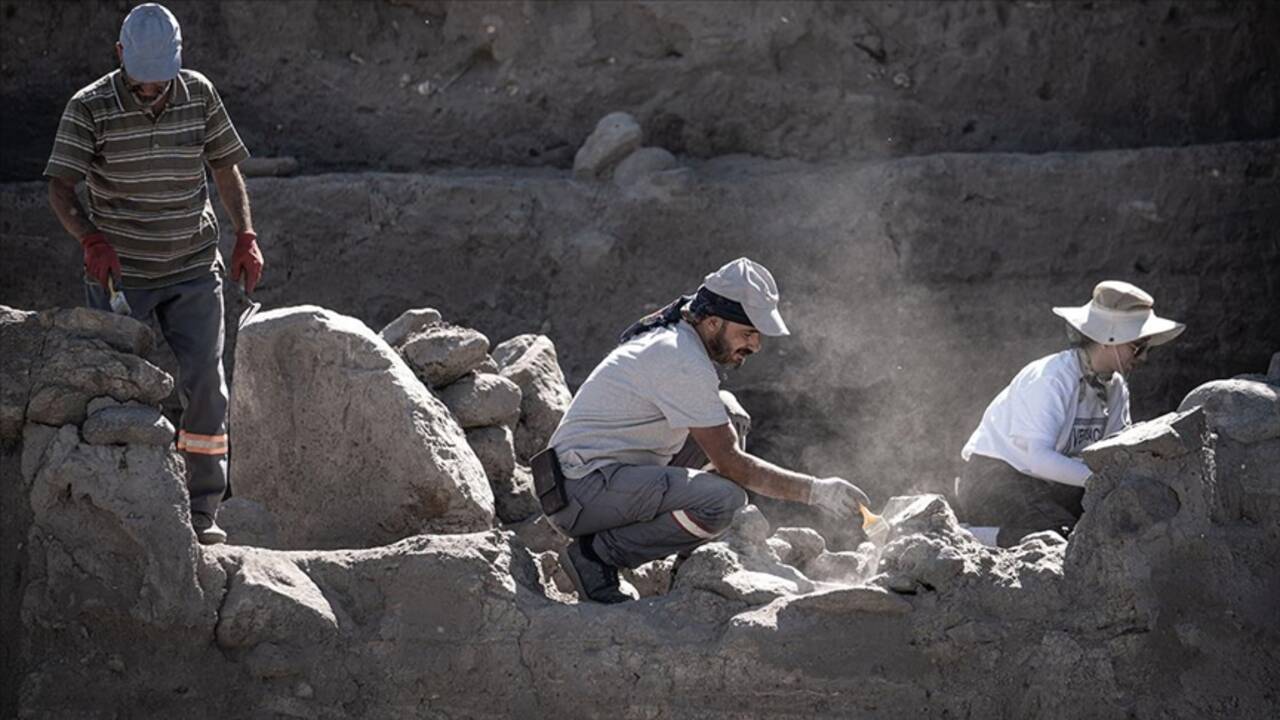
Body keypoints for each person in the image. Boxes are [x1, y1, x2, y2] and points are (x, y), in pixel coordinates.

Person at [44, 3, 263, 545]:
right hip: (122, 273)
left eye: (159, 81)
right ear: (120, 56)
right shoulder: (89, 108)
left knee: (207, 385)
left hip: (192, 265)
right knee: (115, 392)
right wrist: (90, 238)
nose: (150, 91)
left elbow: (224, 167)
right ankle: (119, 509)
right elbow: (60, 187)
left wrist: (246, 234)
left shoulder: (199, 94)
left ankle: (202, 511)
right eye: (140, 81)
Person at [540, 257, 871, 603]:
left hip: (596, 480)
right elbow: (732, 465)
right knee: (723, 500)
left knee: (728, 411)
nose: (755, 346)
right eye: (748, 333)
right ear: (713, 322)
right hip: (579, 494)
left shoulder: (681, 336)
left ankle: (688, 561)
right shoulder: (682, 359)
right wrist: (816, 491)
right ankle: (595, 556)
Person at [956, 280, 1184, 548]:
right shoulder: (1053, 378)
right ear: (1109, 340)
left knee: (1111, 528)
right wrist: (1103, 480)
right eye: (1138, 347)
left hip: (1050, 483)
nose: (1143, 357)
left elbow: (1113, 450)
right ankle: (968, 538)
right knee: (1061, 539)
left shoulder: (1116, 387)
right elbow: (1038, 458)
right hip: (996, 477)